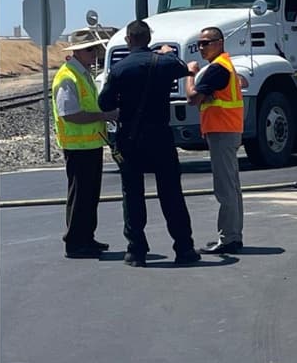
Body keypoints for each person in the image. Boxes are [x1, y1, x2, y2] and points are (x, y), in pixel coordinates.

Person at [97, 20, 200, 267]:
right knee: (171, 193)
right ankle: (184, 248)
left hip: (131, 138)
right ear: (148, 39)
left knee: (132, 195)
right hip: (160, 137)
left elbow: (105, 104)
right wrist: (167, 52)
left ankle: (136, 251)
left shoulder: (120, 69)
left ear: (128, 40)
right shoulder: (164, 63)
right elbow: (182, 67)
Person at [52, 29, 119, 258]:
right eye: (91, 49)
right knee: (80, 196)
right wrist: (105, 116)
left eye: (96, 49)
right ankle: (75, 242)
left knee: (89, 195)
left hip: (90, 144)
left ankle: (86, 238)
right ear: (78, 52)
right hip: (77, 147)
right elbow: (70, 114)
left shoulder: (82, 74)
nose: (95, 53)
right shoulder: (68, 77)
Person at [185, 27, 245, 255]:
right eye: (199, 43)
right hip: (227, 129)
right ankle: (233, 235)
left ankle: (229, 238)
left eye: (206, 43)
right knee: (232, 186)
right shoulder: (224, 66)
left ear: (219, 43)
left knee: (225, 188)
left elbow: (192, 98)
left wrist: (190, 74)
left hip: (222, 131)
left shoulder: (217, 68)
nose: (201, 47)